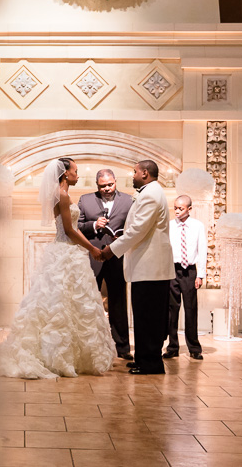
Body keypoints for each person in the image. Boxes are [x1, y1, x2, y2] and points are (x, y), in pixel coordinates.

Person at [0, 157, 116, 379]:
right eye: (75, 171)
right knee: (60, 305)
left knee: (70, 304)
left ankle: (74, 356)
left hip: (67, 252)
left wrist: (90, 248)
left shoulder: (63, 194)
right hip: (65, 251)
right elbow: (70, 231)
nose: (78, 175)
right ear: (65, 174)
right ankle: (59, 356)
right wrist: (93, 249)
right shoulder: (61, 195)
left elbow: (72, 229)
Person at [103, 160, 174, 375]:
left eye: (134, 172)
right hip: (145, 267)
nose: (132, 176)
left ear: (145, 173)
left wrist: (110, 250)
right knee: (143, 316)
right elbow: (137, 229)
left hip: (151, 268)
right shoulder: (148, 192)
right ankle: (143, 358)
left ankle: (151, 363)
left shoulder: (152, 194)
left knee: (150, 317)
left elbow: (138, 230)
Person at [78, 168, 134, 360]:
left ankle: (123, 348)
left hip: (117, 257)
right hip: (93, 257)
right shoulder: (85, 200)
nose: (107, 189)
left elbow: (133, 227)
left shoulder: (128, 200)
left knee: (118, 301)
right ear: (97, 185)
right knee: (89, 302)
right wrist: (93, 225)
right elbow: (75, 227)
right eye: (103, 186)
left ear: (116, 182)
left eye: (110, 185)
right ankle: (90, 345)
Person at [163, 195, 206, 360]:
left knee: (190, 309)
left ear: (189, 209)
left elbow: (202, 250)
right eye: (175, 208)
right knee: (172, 310)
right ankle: (172, 346)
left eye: (181, 208)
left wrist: (200, 274)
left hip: (189, 271)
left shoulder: (197, 226)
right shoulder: (169, 226)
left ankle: (194, 347)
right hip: (172, 270)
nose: (177, 211)